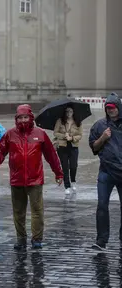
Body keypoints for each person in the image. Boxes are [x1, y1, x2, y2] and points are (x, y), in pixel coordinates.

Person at [0, 104, 63, 250]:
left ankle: (37, 239)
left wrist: (58, 172)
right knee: (18, 212)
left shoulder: (40, 133)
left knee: (37, 211)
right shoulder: (10, 134)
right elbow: (0, 151)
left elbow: (51, 155)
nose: (23, 120)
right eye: (20, 117)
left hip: (35, 179)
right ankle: (21, 239)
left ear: (30, 117)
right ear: (16, 119)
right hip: (17, 179)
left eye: (25, 117)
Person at [89, 92, 122, 251]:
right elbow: (94, 147)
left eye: (113, 107)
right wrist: (103, 138)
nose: (111, 110)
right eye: (108, 108)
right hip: (106, 172)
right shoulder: (99, 126)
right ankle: (101, 240)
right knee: (102, 205)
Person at [54, 105, 83, 196]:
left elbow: (80, 135)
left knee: (73, 166)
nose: (68, 113)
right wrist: (64, 136)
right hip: (62, 146)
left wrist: (72, 138)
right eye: (67, 111)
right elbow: (55, 132)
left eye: (70, 111)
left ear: (73, 112)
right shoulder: (60, 121)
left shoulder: (78, 122)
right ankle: (67, 186)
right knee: (65, 166)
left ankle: (73, 181)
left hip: (74, 146)